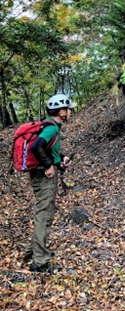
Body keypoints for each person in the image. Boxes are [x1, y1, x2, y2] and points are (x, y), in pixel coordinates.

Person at [25, 93, 74, 273]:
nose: (70, 112)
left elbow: (47, 149)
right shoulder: (52, 127)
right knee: (44, 214)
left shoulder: (51, 126)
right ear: (61, 111)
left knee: (44, 212)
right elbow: (36, 146)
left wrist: (60, 159)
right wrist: (48, 165)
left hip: (42, 173)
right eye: (68, 109)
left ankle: (33, 251)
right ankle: (40, 261)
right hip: (43, 176)